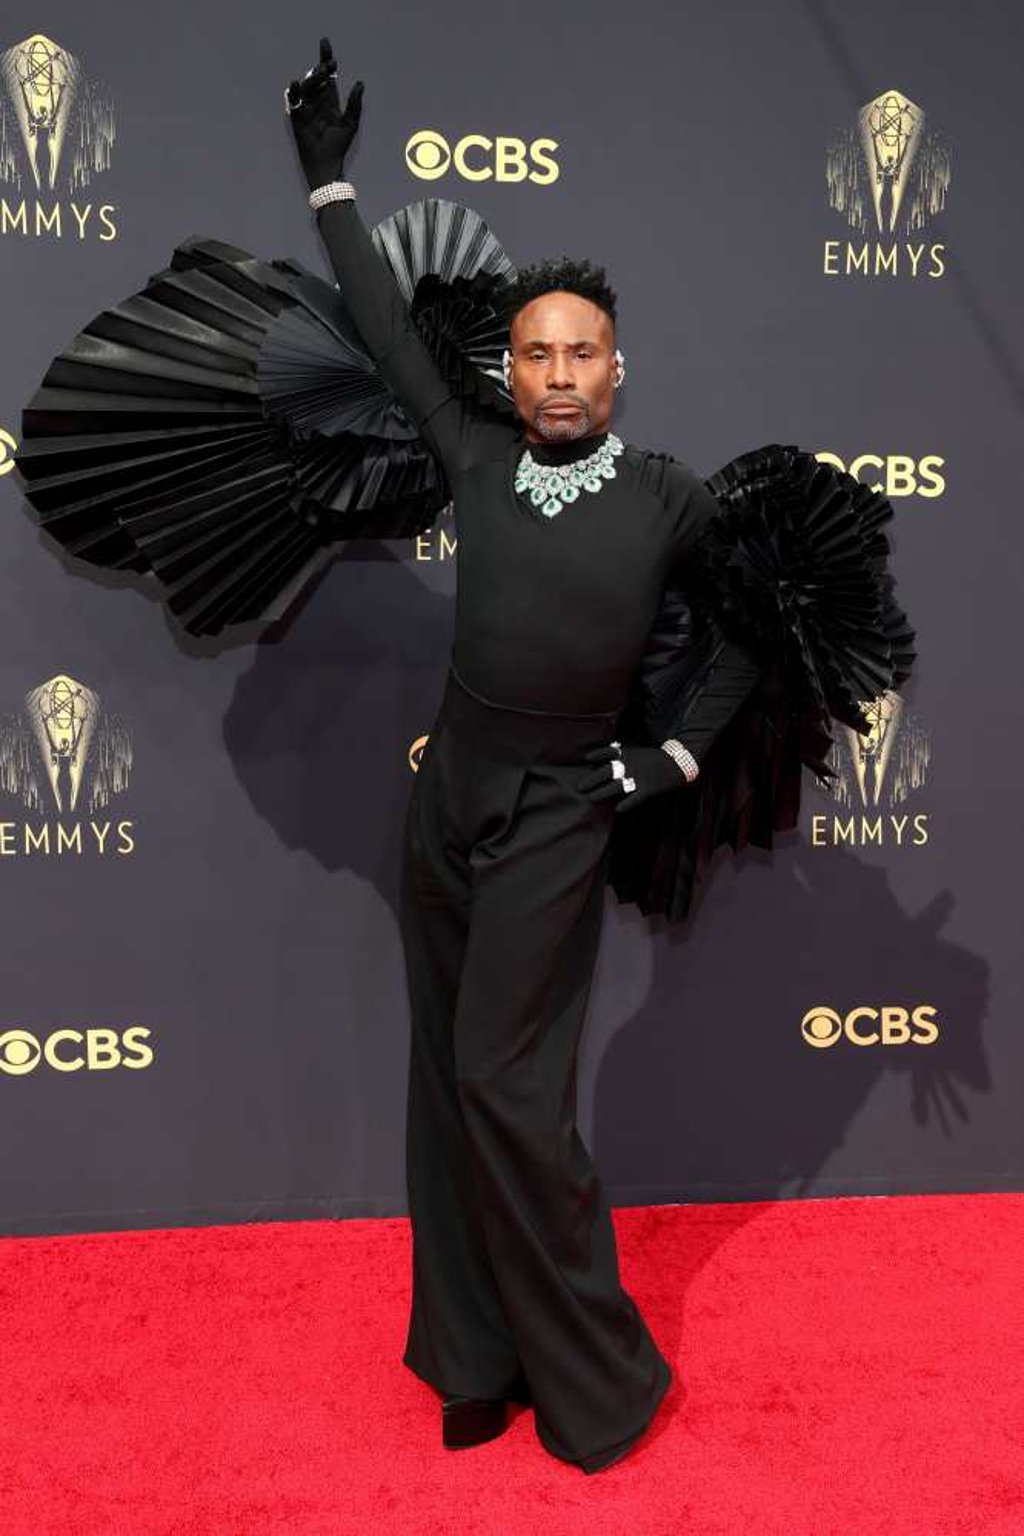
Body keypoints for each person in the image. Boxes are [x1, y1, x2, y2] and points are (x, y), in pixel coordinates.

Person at [285, 37, 768, 1475]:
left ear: (621, 370)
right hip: (449, 800)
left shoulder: (673, 499)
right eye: (537, 355)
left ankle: (596, 1376)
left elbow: (752, 634)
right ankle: (472, 1358)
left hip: (564, 805)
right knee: (448, 1076)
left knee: (508, 1082)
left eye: (583, 356)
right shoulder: (478, 453)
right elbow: (377, 320)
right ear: (512, 368)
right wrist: (328, 181)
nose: (559, 376)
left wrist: (673, 762)